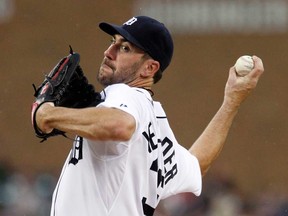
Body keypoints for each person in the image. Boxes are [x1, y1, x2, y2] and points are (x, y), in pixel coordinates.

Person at [34, 16, 264, 216]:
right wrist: (232, 101)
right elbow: (196, 165)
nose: (108, 52)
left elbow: (120, 126)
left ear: (149, 69)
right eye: (113, 42)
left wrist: (48, 114)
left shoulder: (125, 95)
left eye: (124, 48)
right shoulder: (155, 122)